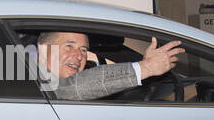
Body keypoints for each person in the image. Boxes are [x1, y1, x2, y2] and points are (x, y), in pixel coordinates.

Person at [36, 30, 183, 100]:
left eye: (83, 50)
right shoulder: (32, 82)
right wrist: (146, 67)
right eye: (69, 46)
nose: (79, 56)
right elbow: (73, 87)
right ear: (43, 49)